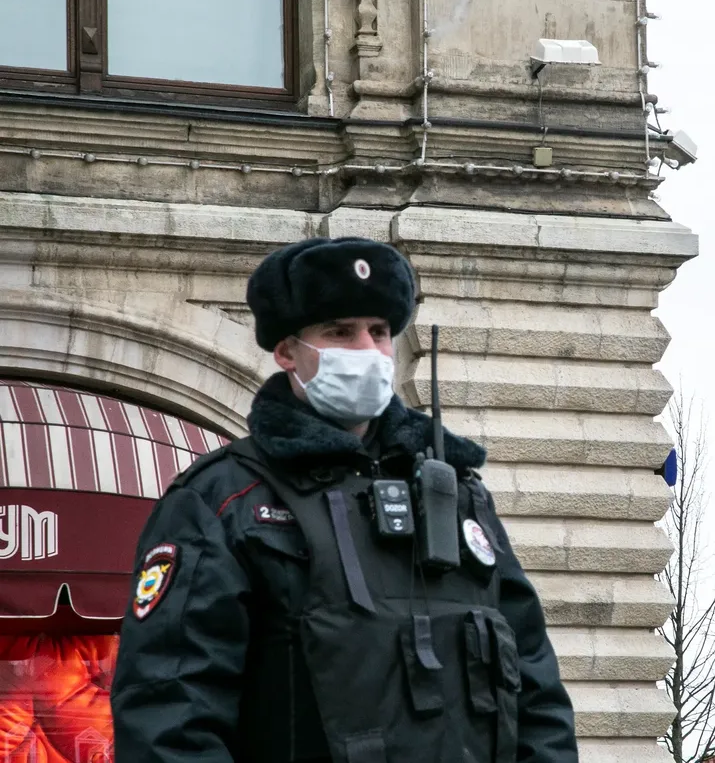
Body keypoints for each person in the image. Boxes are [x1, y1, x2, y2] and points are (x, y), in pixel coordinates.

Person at [109, 237, 578, 763]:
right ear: (287, 351)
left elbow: (535, 688)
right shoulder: (222, 500)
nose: (367, 352)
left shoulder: (457, 493)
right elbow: (169, 714)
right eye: (339, 332)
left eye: (378, 333)